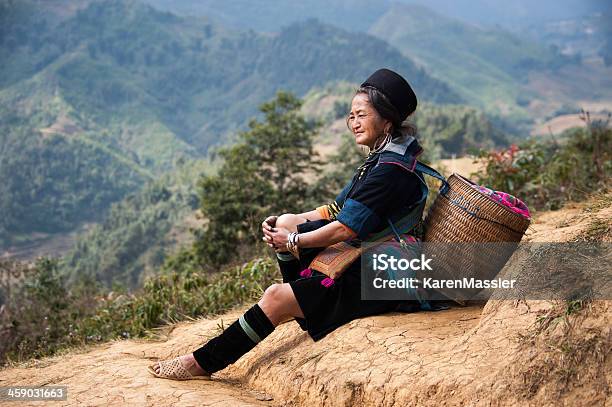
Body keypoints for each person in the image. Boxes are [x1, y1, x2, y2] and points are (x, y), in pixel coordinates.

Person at [148, 68, 428, 380]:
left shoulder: (390, 171)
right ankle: (304, 301)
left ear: (387, 120)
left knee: (275, 296)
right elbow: (336, 209)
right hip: (369, 255)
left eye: (361, 114)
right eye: (351, 116)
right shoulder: (382, 159)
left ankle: (199, 363)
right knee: (288, 222)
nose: (354, 123)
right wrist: (288, 224)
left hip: (385, 277)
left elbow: (344, 229)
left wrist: (292, 241)